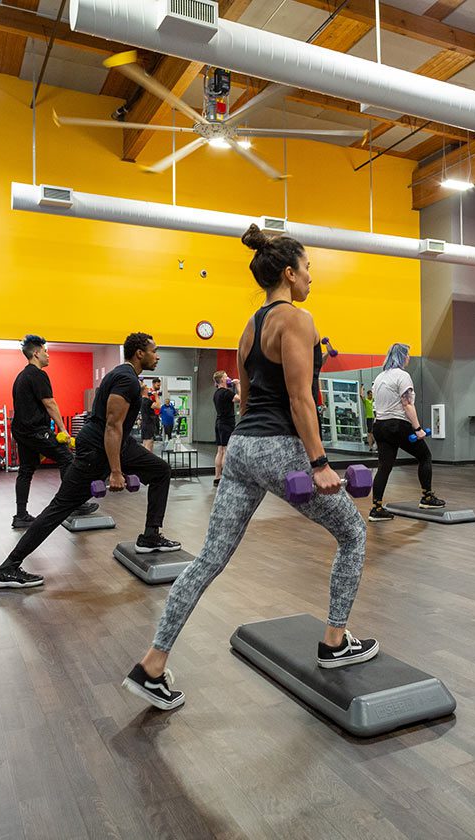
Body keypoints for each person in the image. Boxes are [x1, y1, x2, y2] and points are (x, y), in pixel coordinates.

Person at [121, 226, 376, 710]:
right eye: (307, 270)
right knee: (354, 533)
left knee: (209, 558)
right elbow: (301, 398)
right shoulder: (298, 320)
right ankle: (335, 641)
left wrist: (250, 450)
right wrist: (318, 462)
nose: (310, 279)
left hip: (241, 447)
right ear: (288, 272)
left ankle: (152, 663)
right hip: (279, 445)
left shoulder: (248, 327)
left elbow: (248, 399)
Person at [0, 333, 181, 589]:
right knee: (60, 507)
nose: (157, 356)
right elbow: (112, 426)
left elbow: (115, 429)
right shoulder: (126, 380)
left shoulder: (124, 375)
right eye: (154, 351)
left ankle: (150, 535)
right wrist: (115, 472)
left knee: (160, 470)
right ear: (139, 354)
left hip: (116, 444)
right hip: (99, 448)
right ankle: (7, 568)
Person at [9, 334, 98, 529]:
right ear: (35, 353)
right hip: (35, 430)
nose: (48, 355)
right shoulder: (37, 374)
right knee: (67, 458)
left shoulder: (21, 376)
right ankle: (74, 503)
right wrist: (64, 430)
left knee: (26, 470)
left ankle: (21, 515)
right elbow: (49, 403)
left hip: (21, 431)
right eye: (45, 352)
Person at [367, 343, 444, 523]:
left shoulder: (379, 377)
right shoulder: (403, 376)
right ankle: (427, 498)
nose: (409, 358)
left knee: (384, 466)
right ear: (402, 357)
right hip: (396, 424)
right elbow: (407, 404)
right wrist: (417, 429)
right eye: (407, 355)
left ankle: (376, 508)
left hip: (379, 426)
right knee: (425, 456)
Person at [212, 370, 239, 487]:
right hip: (226, 423)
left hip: (219, 423)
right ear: (222, 380)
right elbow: (240, 398)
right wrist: (237, 384)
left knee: (220, 450)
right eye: (226, 376)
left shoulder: (216, 393)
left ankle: (217, 477)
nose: (228, 378)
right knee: (226, 450)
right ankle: (225, 477)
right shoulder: (226, 393)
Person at [139, 383, 160, 451]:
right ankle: (148, 460)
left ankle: (146, 460)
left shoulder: (141, 400)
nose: (148, 389)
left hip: (145, 424)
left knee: (145, 443)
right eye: (147, 388)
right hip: (148, 424)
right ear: (144, 390)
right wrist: (156, 396)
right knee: (149, 444)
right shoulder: (147, 401)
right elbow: (158, 406)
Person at [360, 385, 375, 451]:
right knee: (370, 433)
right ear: (368, 395)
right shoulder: (366, 401)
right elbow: (361, 395)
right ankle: (371, 446)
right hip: (369, 418)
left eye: (372, 394)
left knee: (373, 432)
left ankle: (373, 445)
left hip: (374, 418)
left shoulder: (373, 400)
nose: (371, 396)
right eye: (370, 395)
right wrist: (362, 388)